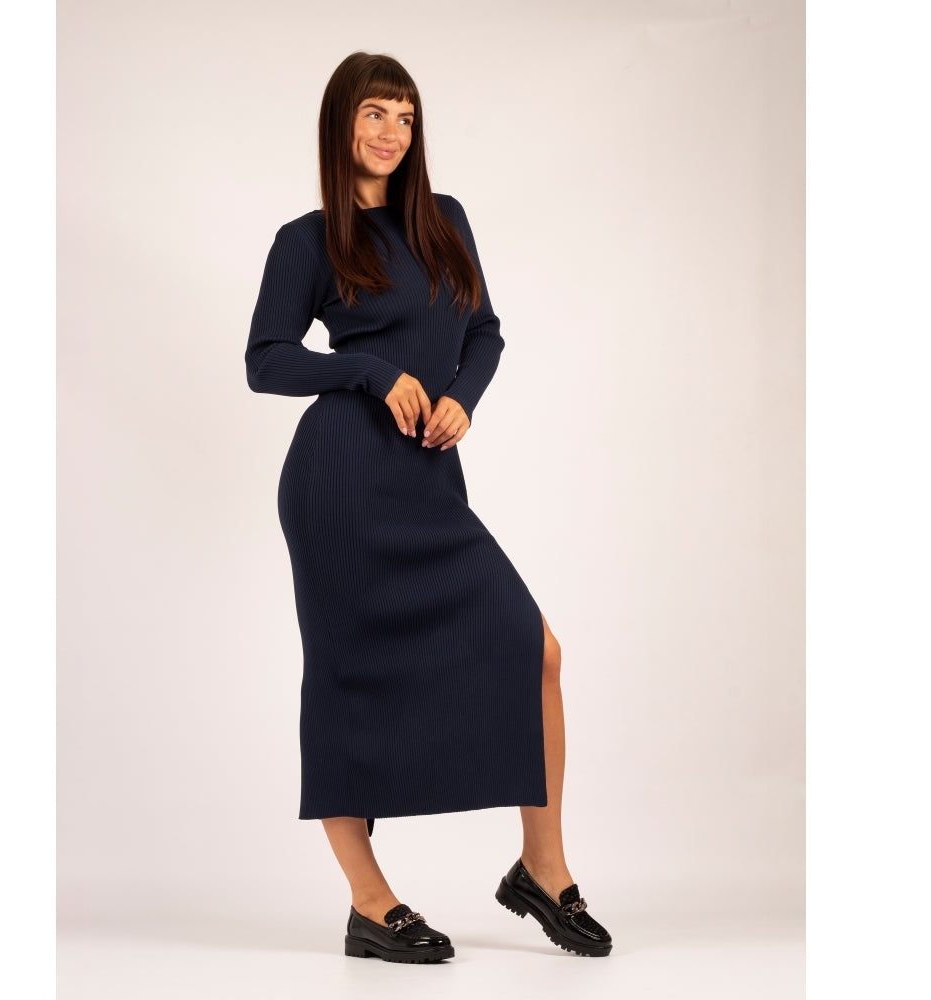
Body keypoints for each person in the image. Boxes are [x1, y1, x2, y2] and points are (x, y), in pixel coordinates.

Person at [244, 51, 612, 962]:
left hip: (426, 481)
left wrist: (463, 399)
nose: (392, 132)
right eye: (375, 113)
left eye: (406, 117)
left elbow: (482, 331)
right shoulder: (307, 241)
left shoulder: (444, 221)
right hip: (338, 481)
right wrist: (370, 371)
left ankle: (543, 868)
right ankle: (371, 903)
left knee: (535, 650)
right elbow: (265, 359)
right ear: (340, 123)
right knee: (343, 679)